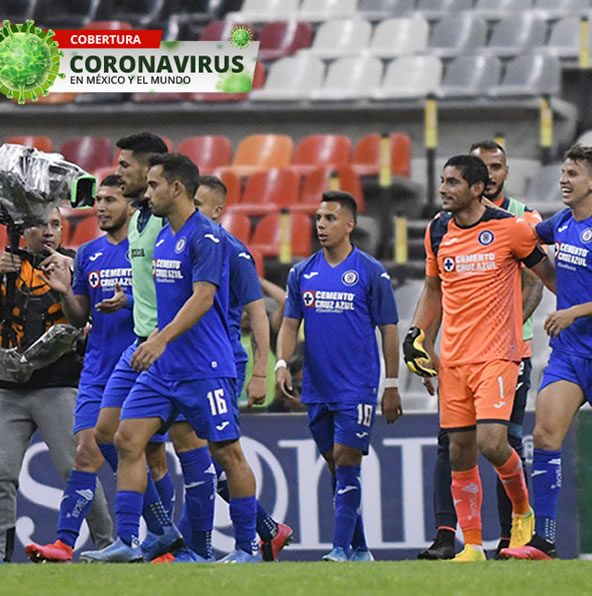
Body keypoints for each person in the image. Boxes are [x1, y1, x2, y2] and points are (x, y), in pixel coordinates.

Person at [80, 153, 261, 563]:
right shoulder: (162, 237)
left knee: (226, 453)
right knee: (126, 439)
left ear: (176, 188)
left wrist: (159, 339)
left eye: (154, 186)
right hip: (164, 369)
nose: (147, 193)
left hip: (204, 368)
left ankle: (249, 547)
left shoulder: (207, 237)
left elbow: (203, 297)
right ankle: (129, 540)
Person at [404, 155, 554, 561]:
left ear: (477, 188)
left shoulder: (510, 229)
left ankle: (522, 511)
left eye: (452, 182)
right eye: (441, 181)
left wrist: (573, 313)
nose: (443, 189)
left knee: (492, 443)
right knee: (459, 450)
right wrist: (417, 336)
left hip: (498, 356)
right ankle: (472, 545)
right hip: (453, 358)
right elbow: (434, 289)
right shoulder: (437, 230)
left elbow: (548, 275)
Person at [499, 145, 592, 561]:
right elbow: (523, 238)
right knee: (544, 435)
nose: (563, 180)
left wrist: (574, 310)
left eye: (573, 173)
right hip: (569, 352)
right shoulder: (560, 223)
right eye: (562, 172)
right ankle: (543, 541)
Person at [275, 191, 403, 562]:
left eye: (330, 218)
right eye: (318, 217)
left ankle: (339, 549)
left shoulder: (370, 271)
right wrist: (282, 364)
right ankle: (361, 548)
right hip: (316, 387)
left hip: (357, 386)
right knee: (336, 465)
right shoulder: (302, 272)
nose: (321, 224)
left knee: (347, 460)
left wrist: (391, 385)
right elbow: (288, 323)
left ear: (350, 225)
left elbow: (389, 329)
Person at [24, 176, 136, 562]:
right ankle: (64, 544)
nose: (101, 206)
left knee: (138, 456)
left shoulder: (147, 251)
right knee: (85, 454)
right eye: (99, 199)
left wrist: (130, 302)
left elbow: (164, 306)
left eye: (111, 199)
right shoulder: (88, 253)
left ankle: (150, 539)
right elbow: (80, 317)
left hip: (137, 366)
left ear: (131, 205)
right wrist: (66, 292)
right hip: (95, 369)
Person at [186, 174, 293, 561]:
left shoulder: (234, 250)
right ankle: (265, 530)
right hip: (182, 363)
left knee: (215, 454)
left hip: (220, 360)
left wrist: (261, 371)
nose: (190, 210)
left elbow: (259, 315)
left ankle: (232, 543)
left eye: (199, 204)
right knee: (186, 454)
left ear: (217, 211)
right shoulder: (177, 244)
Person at [0, 207, 113, 562]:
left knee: (76, 469)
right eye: (40, 224)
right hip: (6, 388)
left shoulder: (77, 263)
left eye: (55, 225)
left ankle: (109, 546)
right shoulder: (6, 265)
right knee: (1, 475)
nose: (49, 232)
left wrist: (67, 287)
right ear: (21, 229)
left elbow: (90, 318)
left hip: (59, 384)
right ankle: (2, 557)